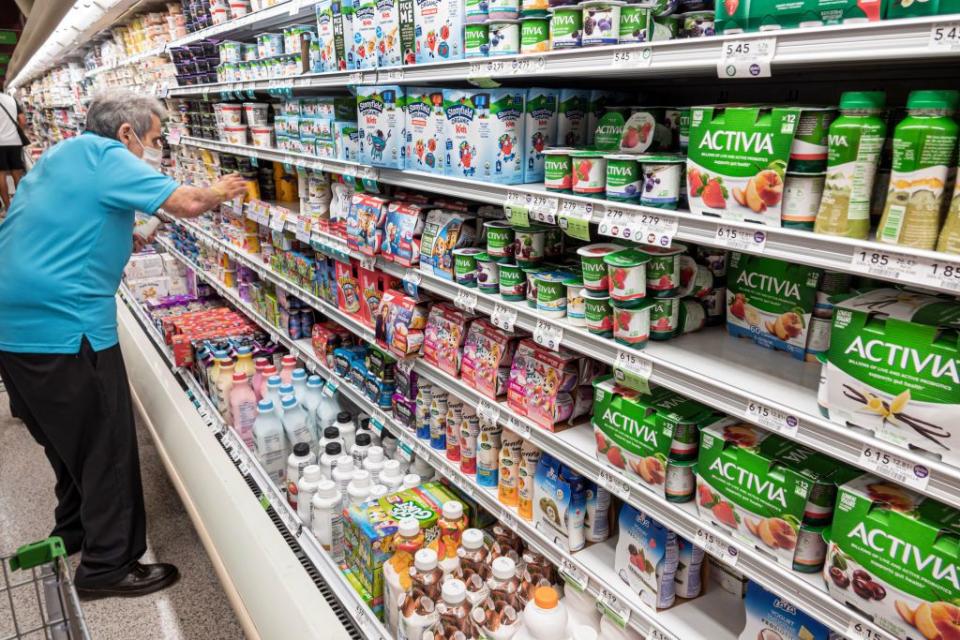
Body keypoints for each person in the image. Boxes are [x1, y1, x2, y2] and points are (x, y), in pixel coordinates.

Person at [0, 90, 247, 599]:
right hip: (66, 328)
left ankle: (72, 529)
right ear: (127, 133)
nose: (154, 149)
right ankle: (108, 566)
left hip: (13, 327)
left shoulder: (66, 152)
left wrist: (122, 233)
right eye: (155, 139)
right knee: (106, 444)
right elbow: (190, 202)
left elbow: (71, 217)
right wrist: (223, 189)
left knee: (68, 441)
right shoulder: (111, 155)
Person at [0, 91, 27, 210]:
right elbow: (22, 119)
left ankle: (8, 208)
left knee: (1, 176)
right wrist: (16, 132)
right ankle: (21, 206)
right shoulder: (11, 99)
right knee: (17, 174)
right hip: (14, 141)